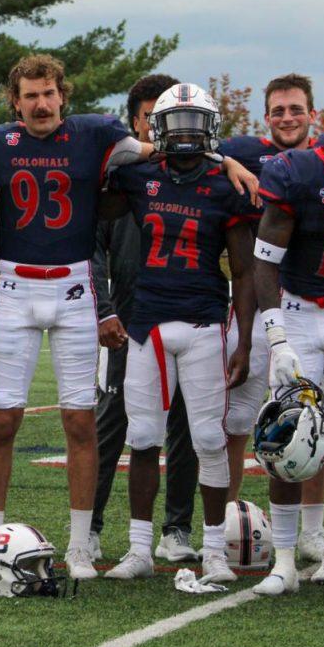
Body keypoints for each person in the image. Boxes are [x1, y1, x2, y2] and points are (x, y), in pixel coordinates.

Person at [0, 54, 258, 579]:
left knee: (79, 419)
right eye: (30, 95)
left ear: (64, 95)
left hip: (74, 288)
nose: (41, 103)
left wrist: (224, 161)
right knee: (3, 417)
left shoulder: (96, 133)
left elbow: (166, 149)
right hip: (14, 284)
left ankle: (80, 545)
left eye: (48, 93)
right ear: (16, 102)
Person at [98, 83, 257, 582]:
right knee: (142, 436)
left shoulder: (224, 182)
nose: (185, 136)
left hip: (206, 320)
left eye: (195, 125)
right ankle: (140, 549)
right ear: (156, 129)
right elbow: (94, 192)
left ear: (210, 131)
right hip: (147, 323)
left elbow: (247, 271)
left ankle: (211, 549)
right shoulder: (139, 175)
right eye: (175, 125)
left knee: (209, 437)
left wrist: (246, 339)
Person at [218, 73, 324, 559]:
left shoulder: (322, 159)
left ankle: (315, 534)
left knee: (321, 424)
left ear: (314, 114)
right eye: (279, 110)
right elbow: (191, 147)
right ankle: (222, 523)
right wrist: (225, 162)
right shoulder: (253, 153)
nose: (288, 117)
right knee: (258, 418)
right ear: (266, 116)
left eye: (296, 109)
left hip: (315, 297)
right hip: (267, 298)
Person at [90, 74, 200, 564]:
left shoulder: (200, 173)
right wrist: (105, 310)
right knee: (112, 425)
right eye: (151, 120)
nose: (163, 130)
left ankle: (176, 529)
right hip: (127, 322)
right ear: (135, 123)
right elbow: (90, 249)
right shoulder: (121, 178)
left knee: (186, 428)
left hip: (186, 319)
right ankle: (89, 527)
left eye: (170, 119)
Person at [252, 132, 324, 594]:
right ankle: (283, 561)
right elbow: (264, 261)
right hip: (301, 311)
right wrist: (277, 336)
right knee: (285, 428)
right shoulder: (300, 174)